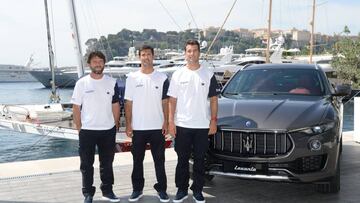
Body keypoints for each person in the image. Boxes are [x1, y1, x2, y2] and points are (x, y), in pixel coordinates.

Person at [168, 40, 220, 203]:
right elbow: (172, 100)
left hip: (202, 125)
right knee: (182, 160)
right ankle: (182, 190)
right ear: (185, 53)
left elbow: (213, 100)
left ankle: (198, 190)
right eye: (189, 51)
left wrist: (213, 121)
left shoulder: (208, 74)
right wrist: (170, 121)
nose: (192, 54)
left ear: (199, 53)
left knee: (199, 160)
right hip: (182, 125)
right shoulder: (178, 74)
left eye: (195, 51)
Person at [71, 51, 120, 203]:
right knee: (86, 164)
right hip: (87, 131)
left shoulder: (112, 82)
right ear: (89, 64)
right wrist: (80, 127)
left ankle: (108, 190)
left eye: (100, 61)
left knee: (107, 163)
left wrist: (115, 124)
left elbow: (115, 105)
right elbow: (76, 107)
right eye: (94, 61)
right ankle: (88, 193)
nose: (98, 64)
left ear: (104, 63)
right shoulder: (82, 83)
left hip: (107, 130)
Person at [124, 45, 170, 202]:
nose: (146, 57)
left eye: (148, 54)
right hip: (138, 128)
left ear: (153, 56)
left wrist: (166, 121)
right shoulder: (132, 78)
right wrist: (128, 124)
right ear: (139, 57)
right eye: (143, 55)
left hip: (157, 127)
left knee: (159, 161)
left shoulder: (162, 78)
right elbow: (128, 103)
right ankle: (137, 189)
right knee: (137, 161)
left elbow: (165, 102)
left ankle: (162, 189)